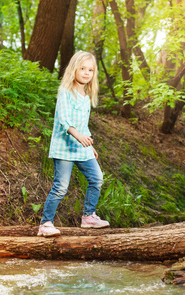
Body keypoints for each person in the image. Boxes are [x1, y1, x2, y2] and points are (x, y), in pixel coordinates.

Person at [38, 51, 109, 237]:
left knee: (97, 178)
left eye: (90, 70)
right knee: (61, 186)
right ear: (74, 69)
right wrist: (78, 135)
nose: (86, 73)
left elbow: (83, 124)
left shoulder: (86, 96)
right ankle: (45, 223)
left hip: (82, 146)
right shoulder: (66, 92)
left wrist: (89, 143)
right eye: (82, 68)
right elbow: (64, 119)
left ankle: (88, 216)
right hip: (64, 147)